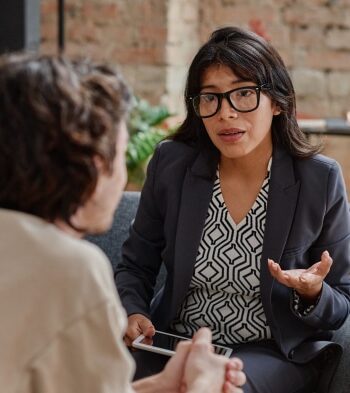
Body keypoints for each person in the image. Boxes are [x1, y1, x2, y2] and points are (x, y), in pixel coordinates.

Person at [115, 26, 350, 393]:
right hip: (174, 343)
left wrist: (312, 291)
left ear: (277, 102)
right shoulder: (172, 164)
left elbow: (341, 301)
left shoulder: (319, 180)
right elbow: (135, 264)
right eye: (211, 98)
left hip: (269, 354)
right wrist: (133, 311)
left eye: (243, 94)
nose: (226, 113)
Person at [0, 54, 246, 393]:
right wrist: (203, 383)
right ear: (94, 165)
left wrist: (162, 384)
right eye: (121, 152)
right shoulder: (69, 271)